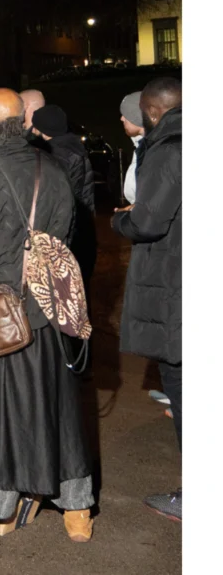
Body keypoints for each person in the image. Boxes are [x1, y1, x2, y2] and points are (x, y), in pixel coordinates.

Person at [0, 89, 93, 551]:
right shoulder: (56, 170)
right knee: (59, 408)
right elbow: (64, 235)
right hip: (46, 311)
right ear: (24, 124)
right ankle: (78, 512)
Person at [112, 77, 182, 521]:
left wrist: (121, 222)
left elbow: (150, 221)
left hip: (175, 282)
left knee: (183, 385)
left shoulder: (168, 148)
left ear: (152, 112)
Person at [31, 105, 96, 291]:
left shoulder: (58, 155)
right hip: (83, 227)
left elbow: (56, 196)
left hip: (68, 230)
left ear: (42, 129)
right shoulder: (74, 146)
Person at [119, 92, 146, 204]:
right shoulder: (140, 145)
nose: (121, 119)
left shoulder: (156, 149)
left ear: (137, 116)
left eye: (126, 114)